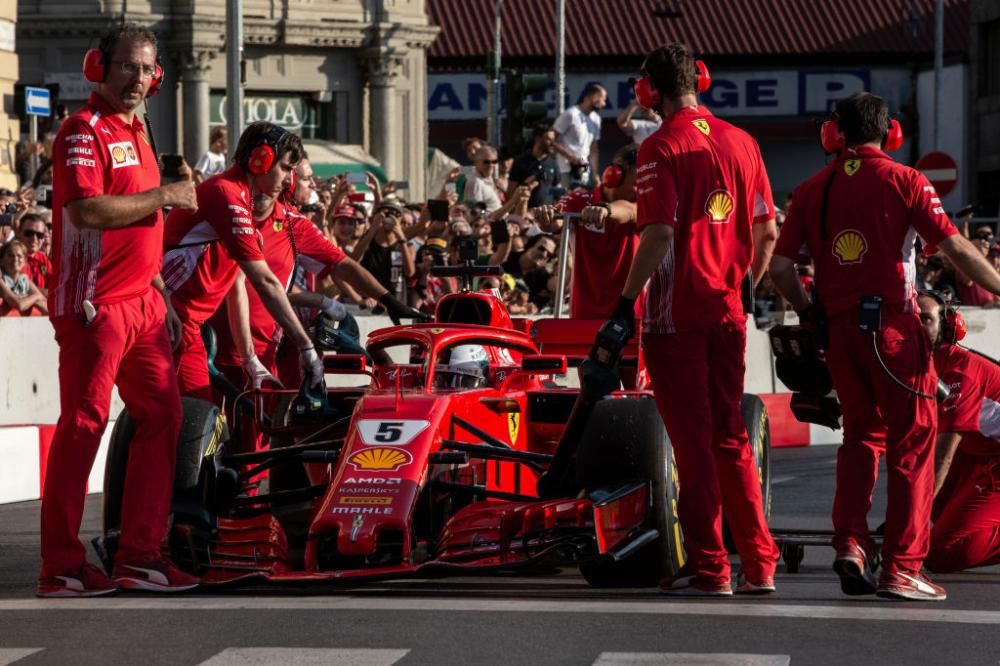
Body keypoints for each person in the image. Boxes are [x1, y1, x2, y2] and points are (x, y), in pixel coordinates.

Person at [768, 92, 1000, 601]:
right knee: (913, 443)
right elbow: (955, 247)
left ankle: (850, 545)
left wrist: (810, 311)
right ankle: (902, 567)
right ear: (890, 132)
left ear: (835, 134)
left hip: (837, 332)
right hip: (893, 327)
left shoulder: (809, 190)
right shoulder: (906, 180)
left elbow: (780, 269)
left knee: (859, 438)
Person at [606, 43, 780, 596]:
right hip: (728, 311)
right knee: (732, 438)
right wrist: (742, 286)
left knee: (693, 445)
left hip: (674, 315)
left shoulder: (660, 146)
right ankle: (760, 564)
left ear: (649, 91)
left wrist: (623, 303)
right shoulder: (743, 141)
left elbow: (658, 233)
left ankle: (710, 567)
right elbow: (767, 231)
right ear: (700, 81)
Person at [38, 23, 199, 597]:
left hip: (143, 305)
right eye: (128, 65)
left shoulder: (140, 129)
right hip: (94, 304)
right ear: (98, 67)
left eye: (147, 68)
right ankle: (61, 566)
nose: (138, 77)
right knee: (83, 427)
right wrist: (167, 195)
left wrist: (159, 291)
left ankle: (140, 556)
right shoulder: (82, 130)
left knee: (164, 418)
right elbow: (86, 212)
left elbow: (139, 230)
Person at [162, 121, 325, 402]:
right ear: (261, 159)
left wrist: (250, 359)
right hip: (170, 321)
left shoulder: (239, 198)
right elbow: (265, 283)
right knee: (188, 420)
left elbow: (236, 285)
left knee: (195, 419)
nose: (290, 180)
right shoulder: (227, 193)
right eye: (286, 168)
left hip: (183, 324)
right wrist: (305, 346)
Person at [914, 292, 1000, 573]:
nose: (914, 325)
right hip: (977, 456)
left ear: (949, 326)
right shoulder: (918, 368)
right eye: (909, 318)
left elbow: (943, 457)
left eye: (924, 319)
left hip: (991, 461)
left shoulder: (961, 374)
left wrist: (909, 520)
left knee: (940, 552)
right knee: (934, 508)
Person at [542, 143, 641, 319]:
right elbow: (554, 224)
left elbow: (630, 210)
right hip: (583, 312)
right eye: (638, 183)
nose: (644, 189)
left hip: (630, 313)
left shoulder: (645, 203)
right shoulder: (578, 200)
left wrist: (605, 210)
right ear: (613, 175)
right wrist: (546, 217)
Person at [553, 84, 606, 188]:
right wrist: (569, 156)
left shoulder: (596, 119)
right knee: (564, 196)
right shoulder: (571, 114)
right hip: (564, 170)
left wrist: (595, 175)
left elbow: (593, 149)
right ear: (593, 97)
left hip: (583, 170)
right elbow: (550, 139)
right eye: (602, 99)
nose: (604, 104)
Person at [507, 124, 560, 209]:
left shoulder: (553, 162)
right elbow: (510, 192)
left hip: (547, 212)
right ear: (538, 139)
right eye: (548, 139)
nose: (552, 143)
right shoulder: (521, 161)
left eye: (553, 140)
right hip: (525, 212)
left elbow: (556, 187)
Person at [0, 240, 46, 315]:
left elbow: (43, 302)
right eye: (10, 255)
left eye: (19, 256)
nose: (15, 259)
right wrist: (34, 297)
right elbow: (19, 305)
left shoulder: (24, 279)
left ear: (24, 262)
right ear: (1, 261)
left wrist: (31, 298)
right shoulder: (1, 279)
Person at [14, 212, 52, 292]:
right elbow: (24, 290)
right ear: (19, 233)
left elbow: (53, 284)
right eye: (29, 233)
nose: (34, 239)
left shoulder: (42, 258)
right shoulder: (12, 257)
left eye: (39, 235)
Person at [462, 145, 503, 213]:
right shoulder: (475, 181)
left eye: (494, 161)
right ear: (476, 161)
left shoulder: (490, 176)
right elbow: (476, 213)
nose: (490, 165)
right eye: (486, 162)